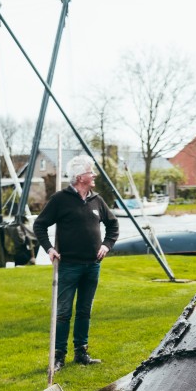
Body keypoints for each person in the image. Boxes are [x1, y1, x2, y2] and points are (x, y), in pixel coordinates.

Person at [33, 154, 119, 369]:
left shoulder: (96, 200)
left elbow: (113, 224)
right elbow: (39, 225)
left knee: (84, 311)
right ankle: (59, 357)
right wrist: (49, 249)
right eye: (91, 172)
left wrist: (106, 245)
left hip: (93, 265)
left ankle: (81, 353)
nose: (94, 176)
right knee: (63, 312)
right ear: (80, 176)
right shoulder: (60, 200)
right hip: (69, 266)